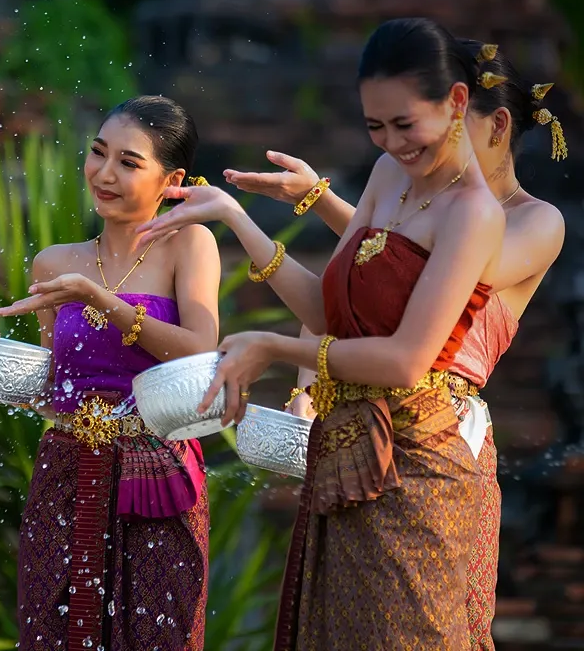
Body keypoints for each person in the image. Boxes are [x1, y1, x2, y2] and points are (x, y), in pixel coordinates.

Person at [135, 18, 508, 649]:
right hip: (345, 459)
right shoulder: (390, 179)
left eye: (405, 124)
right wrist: (237, 217)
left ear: (457, 103)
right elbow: (332, 308)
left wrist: (275, 347)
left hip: (420, 471)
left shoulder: (473, 213)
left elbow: (405, 360)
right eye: (375, 127)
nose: (392, 144)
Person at [222, 40, 566, 650]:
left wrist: (325, 202)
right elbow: (367, 289)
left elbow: (426, 277)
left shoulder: (531, 221)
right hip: (355, 432)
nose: (412, 146)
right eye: (381, 128)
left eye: (417, 125)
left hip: (435, 436)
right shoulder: (411, 186)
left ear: (491, 122)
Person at [0, 95, 221, 649]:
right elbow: (55, 389)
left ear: (173, 179)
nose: (104, 173)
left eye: (129, 162)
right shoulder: (54, 263)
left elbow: (200, 355)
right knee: (56, 632)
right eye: (98, 154)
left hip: (157, 473)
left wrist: (105, 302)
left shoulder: (189, 243)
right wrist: (0, 370)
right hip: (66, 472)